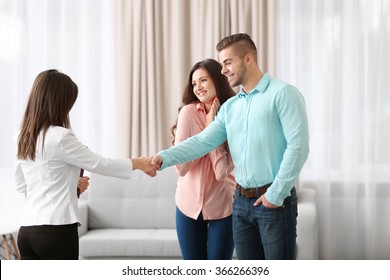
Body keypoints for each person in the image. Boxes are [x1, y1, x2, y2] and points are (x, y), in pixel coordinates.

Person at [151, 33, 309, 260]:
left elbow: (298, 146)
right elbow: (203, 141)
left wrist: (275, 194)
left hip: (273, 202)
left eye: (227, 62)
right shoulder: (231, 107)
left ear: (248, 59)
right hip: (240, 205)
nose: (223, 70)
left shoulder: (283, 93)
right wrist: (162, 158)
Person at [15, 69, 156, 260]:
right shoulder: (60, 136)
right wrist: (139, 163)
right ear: (58, 102)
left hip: (26, 232)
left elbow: (22, 185)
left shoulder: (23, 137)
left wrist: (69, 187)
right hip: (56, 230)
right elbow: (100, 163)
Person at [170, 59, 236, 260]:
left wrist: (210, 130)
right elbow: (181, 168)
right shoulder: (188, 113)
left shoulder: (234, 114)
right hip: (187, 207)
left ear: (218, 79)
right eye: (194, 83)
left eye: (203, 80)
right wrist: (209, 135)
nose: (198, 88)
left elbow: (221, 172)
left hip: (223, 207)